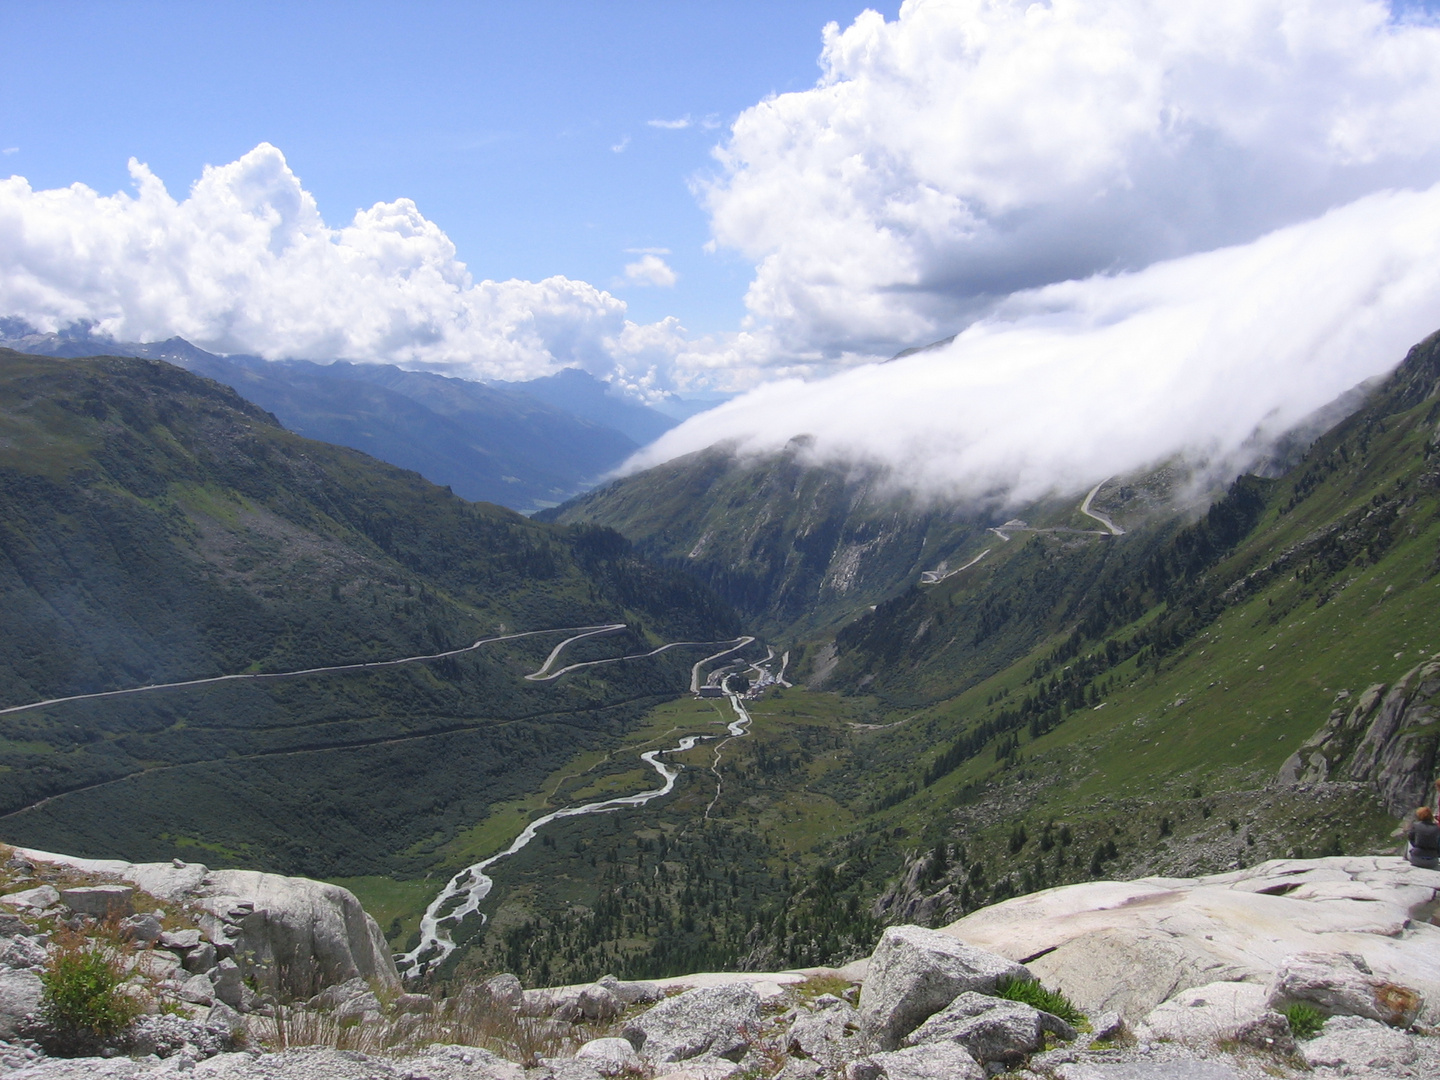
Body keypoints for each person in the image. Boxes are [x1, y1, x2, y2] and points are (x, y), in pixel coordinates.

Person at [1406, 806, 1440, 870]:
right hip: (1433, 862)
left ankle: (1405, 858)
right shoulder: (1437, 828)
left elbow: (1411, 839)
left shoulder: (1415, 825)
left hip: (1416, 860)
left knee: (1409, 840)